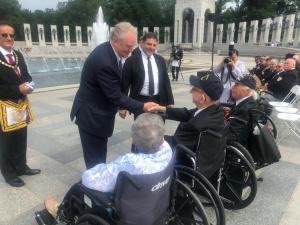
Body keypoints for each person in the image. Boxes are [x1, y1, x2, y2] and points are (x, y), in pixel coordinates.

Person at [44, 113, 172, 219]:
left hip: (130, 211)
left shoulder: (131, 163)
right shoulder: (167, 150)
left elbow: (90, 179)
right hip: (155, 203)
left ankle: (62, 212)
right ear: (161, 139)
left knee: (80, 185)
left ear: (133, 140)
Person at [70, 22, 158, 169]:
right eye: (128, 46)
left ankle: (97, 182)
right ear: (115, 41)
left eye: (133, 47)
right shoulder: (104, 61)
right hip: (92, 117)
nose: (130, 51)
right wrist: (142, 106)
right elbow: (115, 95)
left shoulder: (109, 51)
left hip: (96, 113)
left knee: (99, 156)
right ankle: (93, 188)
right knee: (95, 163)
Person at [150, 74, 225, 178]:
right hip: (208, 161)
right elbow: (187, 113)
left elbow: (175, 143)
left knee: (146, 144)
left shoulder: (197, 125)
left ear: (203, 97)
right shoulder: (215, 110)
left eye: (194, 89)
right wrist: (162, 108)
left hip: (185, 161)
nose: (190, 91)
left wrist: (151, 138)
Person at [0, 21, 40, 187]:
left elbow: (26, 76)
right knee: (6, 142)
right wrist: (18, 88)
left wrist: (29, 84)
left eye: (11, 35)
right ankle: (9, 174)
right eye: (4, 35)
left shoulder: (17, 55)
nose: (9, 38)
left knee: (21, 138)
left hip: (20, 105)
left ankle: (21, 166)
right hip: (4, 107)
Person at [121, 32, 174, 119]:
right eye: (149, 44)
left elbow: (166, 82)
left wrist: (170, 102)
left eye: (154, 45)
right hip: (140, 101)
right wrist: (122, 106)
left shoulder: (160, 60)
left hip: (159, 100)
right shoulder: (131, 61)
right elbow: (125, 85)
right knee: (141, 129)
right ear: (142, 44)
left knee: (158, 128)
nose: (151, 47)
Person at [226, 75, 258, 146]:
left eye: (236, 85)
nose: (232, 88)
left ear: (248, 90)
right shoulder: (245, 102)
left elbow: (231, 137)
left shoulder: (244, 109)